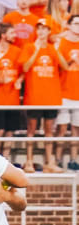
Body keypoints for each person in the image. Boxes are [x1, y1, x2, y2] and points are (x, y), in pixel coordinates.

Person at [19, 17, 67, 172]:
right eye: (39, 28)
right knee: (31, 130)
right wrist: (37, 50)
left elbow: (65, 66)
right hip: (34, 96)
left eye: (44, 29)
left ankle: (49, 162)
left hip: (51, 96)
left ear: (48, 31)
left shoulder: (53, 48)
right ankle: (29, 161)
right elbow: (25, 68)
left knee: (49, 131)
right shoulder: (29, 47)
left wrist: (56, 49)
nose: (41, 31)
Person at [0, 22, 23, 165]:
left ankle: (5, 159)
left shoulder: (17, 51)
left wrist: (19, 80)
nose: (14, 35)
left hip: (13, 97)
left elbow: (23, 72)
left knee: (10, 130)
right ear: (3, 35)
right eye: (11, 33)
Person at [55, 14, 79, 170]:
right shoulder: (61, 43)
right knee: (62, 127)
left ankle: (73, 158)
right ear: (69, 25)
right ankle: (57, 158)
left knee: (76, 129)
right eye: (76, 23)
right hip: (63, 92)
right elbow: (58, 66)